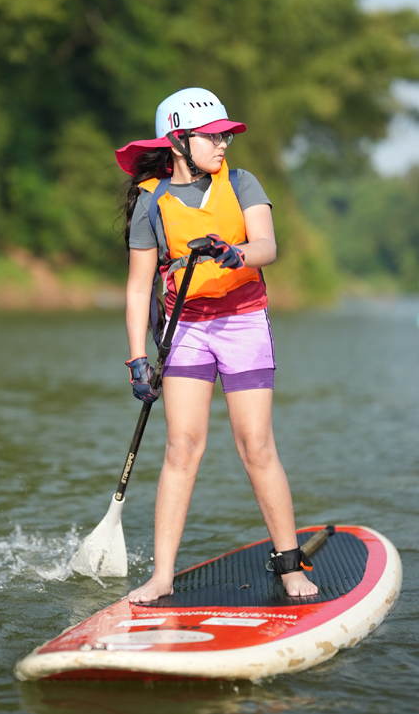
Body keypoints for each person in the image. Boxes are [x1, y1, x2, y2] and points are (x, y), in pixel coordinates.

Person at [116, 87, 317, 603]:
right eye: (213, 136)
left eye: (226, 135)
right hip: (184, 329)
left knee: (256, 445)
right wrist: (138, 356)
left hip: (242, 322)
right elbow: (140, 288)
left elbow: (268, 246)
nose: (224, 143)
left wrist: (237, 254)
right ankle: (163, 577)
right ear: (179, 142)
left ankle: (289, 565)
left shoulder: (243, 182)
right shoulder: (150, 199)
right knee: (182, 448)